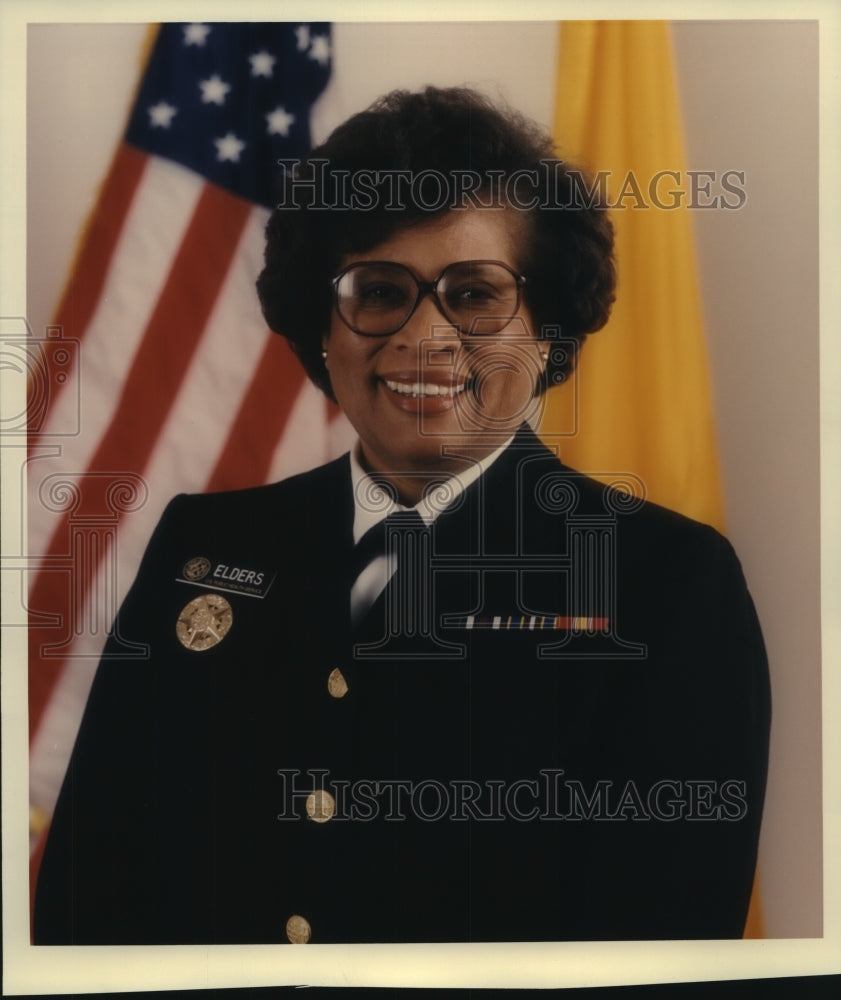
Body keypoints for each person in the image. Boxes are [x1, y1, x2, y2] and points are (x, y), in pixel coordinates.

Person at [34, 87, 770, 945]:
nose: (424, 337)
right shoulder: (206, 545)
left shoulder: (665, 583)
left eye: (474, 294)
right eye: (378, 291)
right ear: (322, 327)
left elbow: (657, 940)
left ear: (548, 333)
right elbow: (89, 895)